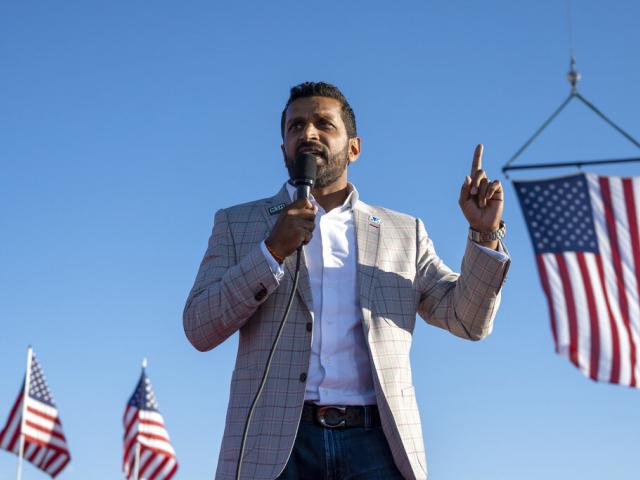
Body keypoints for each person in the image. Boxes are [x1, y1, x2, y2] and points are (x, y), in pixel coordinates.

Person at [183, 82, 510, 480]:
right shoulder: (239, 224)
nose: (308, 134)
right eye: (295, 126)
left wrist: (484, 236)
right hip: (275, 449)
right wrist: (271, 252)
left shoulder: (403, 232)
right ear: (283, 148)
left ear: (354, 147)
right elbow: (200, 327)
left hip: (377, 445)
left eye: (324, 124)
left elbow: (467, 320)